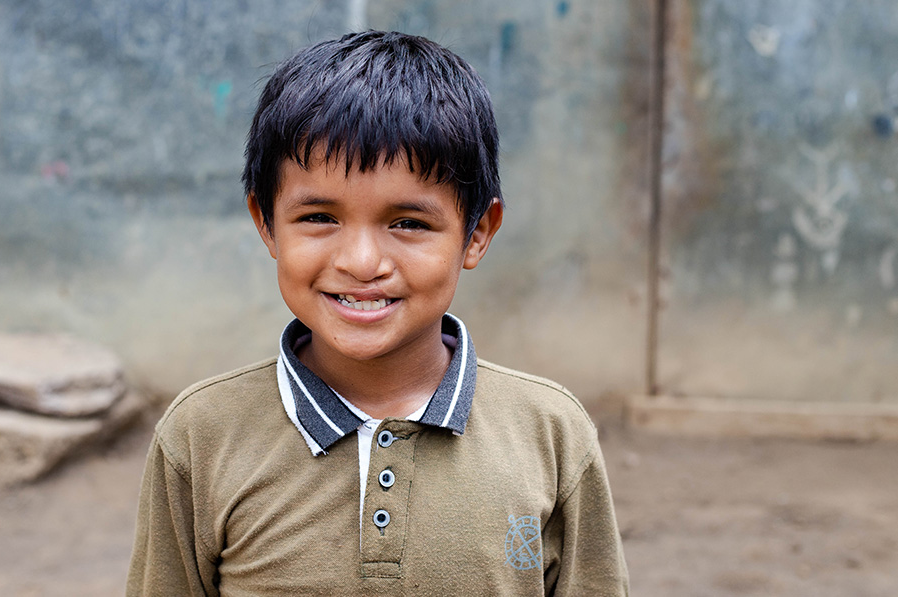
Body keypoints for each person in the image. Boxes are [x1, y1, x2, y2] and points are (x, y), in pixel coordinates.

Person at [127, 30, 628, 595]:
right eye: (319, 216)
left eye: (408, 223)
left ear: (477, 234)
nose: (362, 262)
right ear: (266, 223)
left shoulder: (550, 433)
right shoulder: (200, 436)